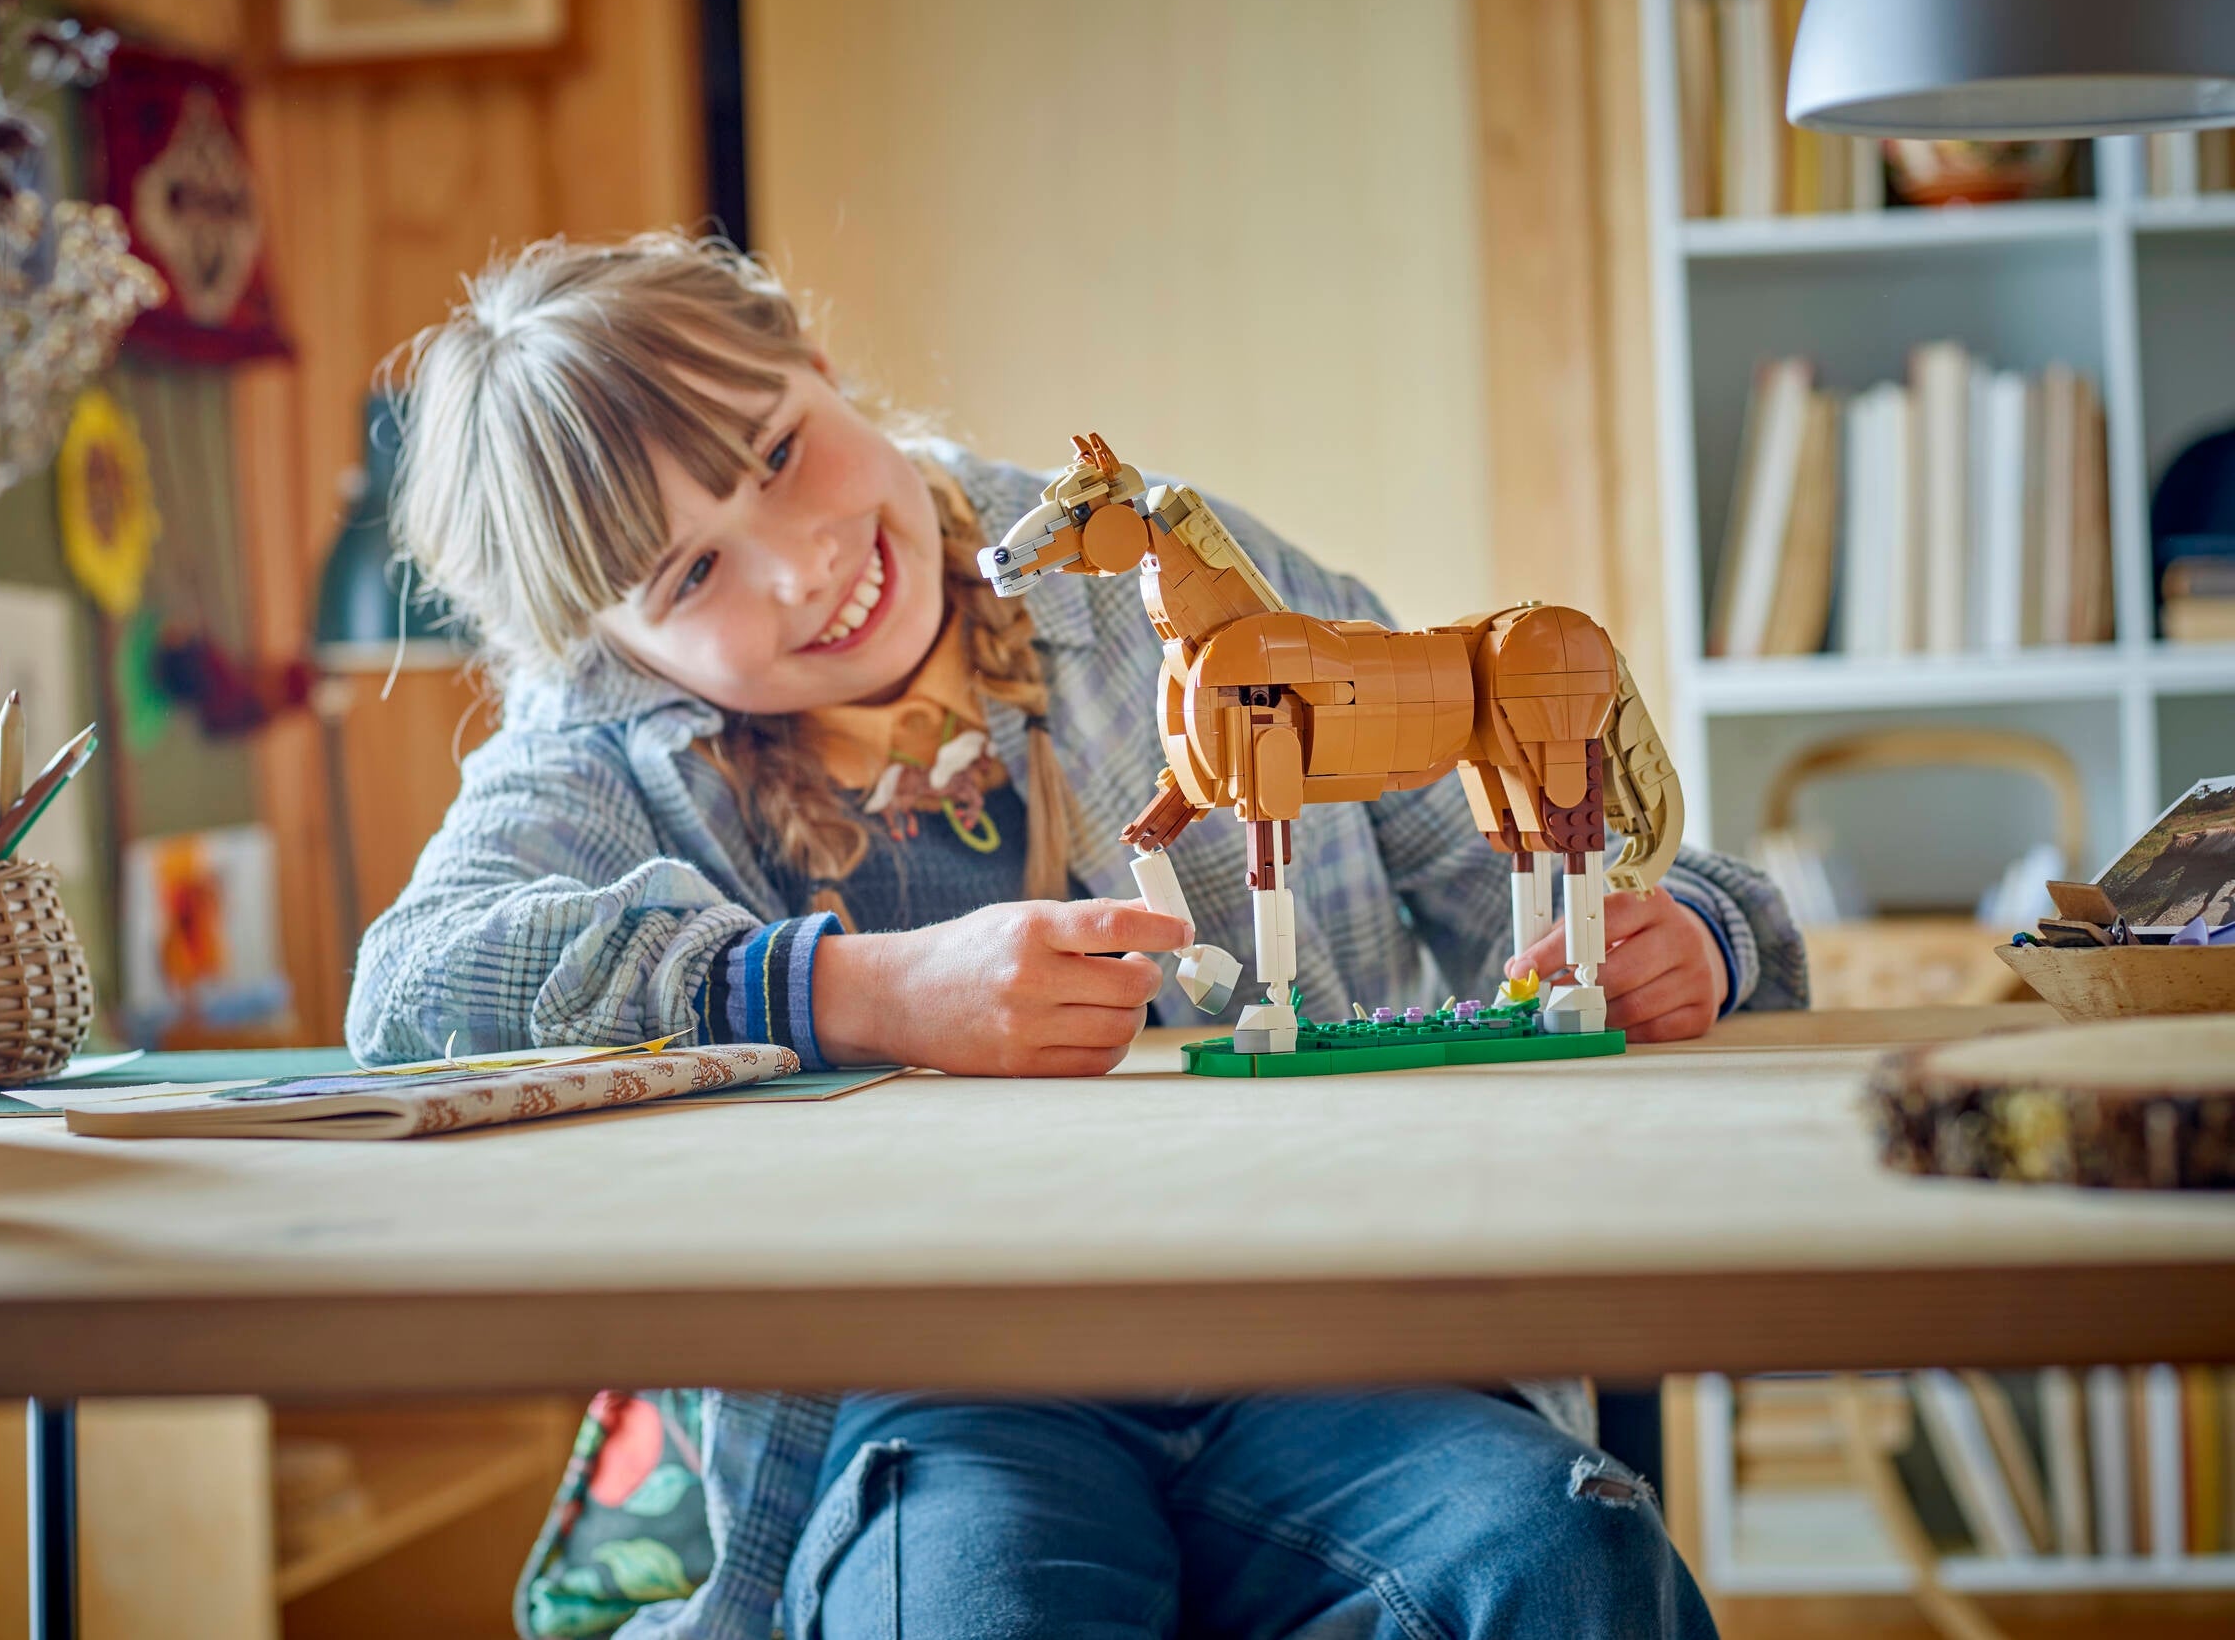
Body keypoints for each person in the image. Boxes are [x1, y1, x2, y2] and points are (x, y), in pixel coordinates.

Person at [354, 232, 1807, 1640]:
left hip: (1332, 1340)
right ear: (613, 651)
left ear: (814, 357)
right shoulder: (603, 749)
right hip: (938, 1395)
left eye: (781, 453)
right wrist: (857, 989)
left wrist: (1693, 937)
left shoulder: (1165, 578)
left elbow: (1557, 873)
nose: (798, 567)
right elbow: (414, 988)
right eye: (690, 578)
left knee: (1561, 1556)